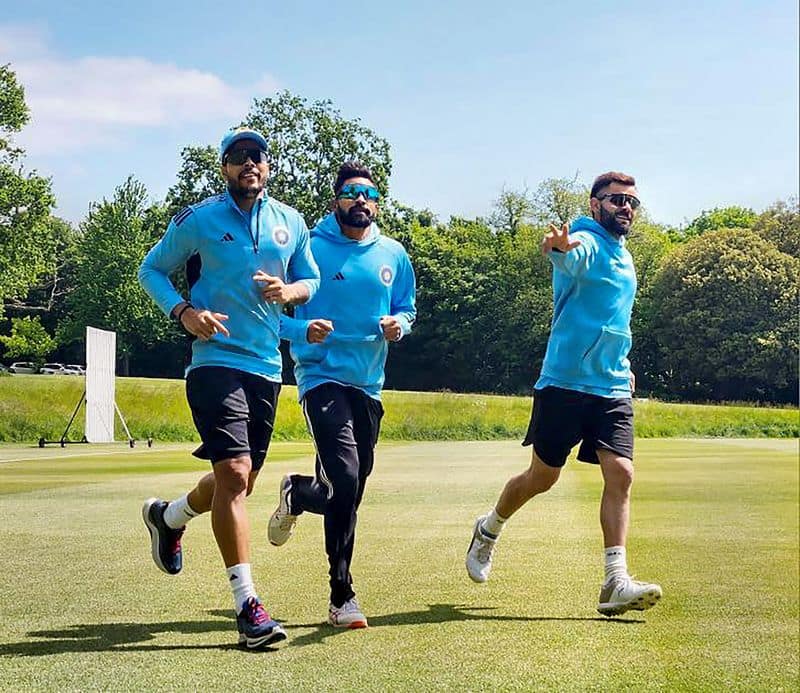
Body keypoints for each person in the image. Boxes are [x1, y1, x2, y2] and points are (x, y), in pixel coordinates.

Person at [138, 127, 320, 648]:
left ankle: (168, 517)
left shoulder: (291, 223)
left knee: (236, 484)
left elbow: (310, 282)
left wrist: (292, 292)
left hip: (267, 369)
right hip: (214, 362)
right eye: (239, 157)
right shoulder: (199, 220)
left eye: (257, 157)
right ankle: (248, 607)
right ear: (224, 168)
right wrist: (184, 312)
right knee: (235, 475)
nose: (249, 165)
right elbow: (150, 269)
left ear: (268, 167)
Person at [465, 171, 662, 617]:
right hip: (565, 384)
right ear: (595, 205)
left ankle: (615, 581)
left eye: (632, 201)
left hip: (611, 385)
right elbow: (565, 253)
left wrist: (624, 364)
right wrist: (557, 246)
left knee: (622, 474)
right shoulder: (586, 241)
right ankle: (489, 528)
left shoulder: (625, 256)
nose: (625, 208)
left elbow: (617, 319)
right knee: (542, 478)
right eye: (615, 200)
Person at [268, 161, 416, 629]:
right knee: (347, 480)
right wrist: (301, 329)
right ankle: (342, 595)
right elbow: (272, 317)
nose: (361, 201)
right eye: (352, 192)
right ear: (336, 200)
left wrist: (401, 325)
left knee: (346, 490)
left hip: (369, 385)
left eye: (370, 194)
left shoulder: (394, 254)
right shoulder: (309, 247)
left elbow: (407, 307)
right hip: (321, 378)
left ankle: (297, 492)